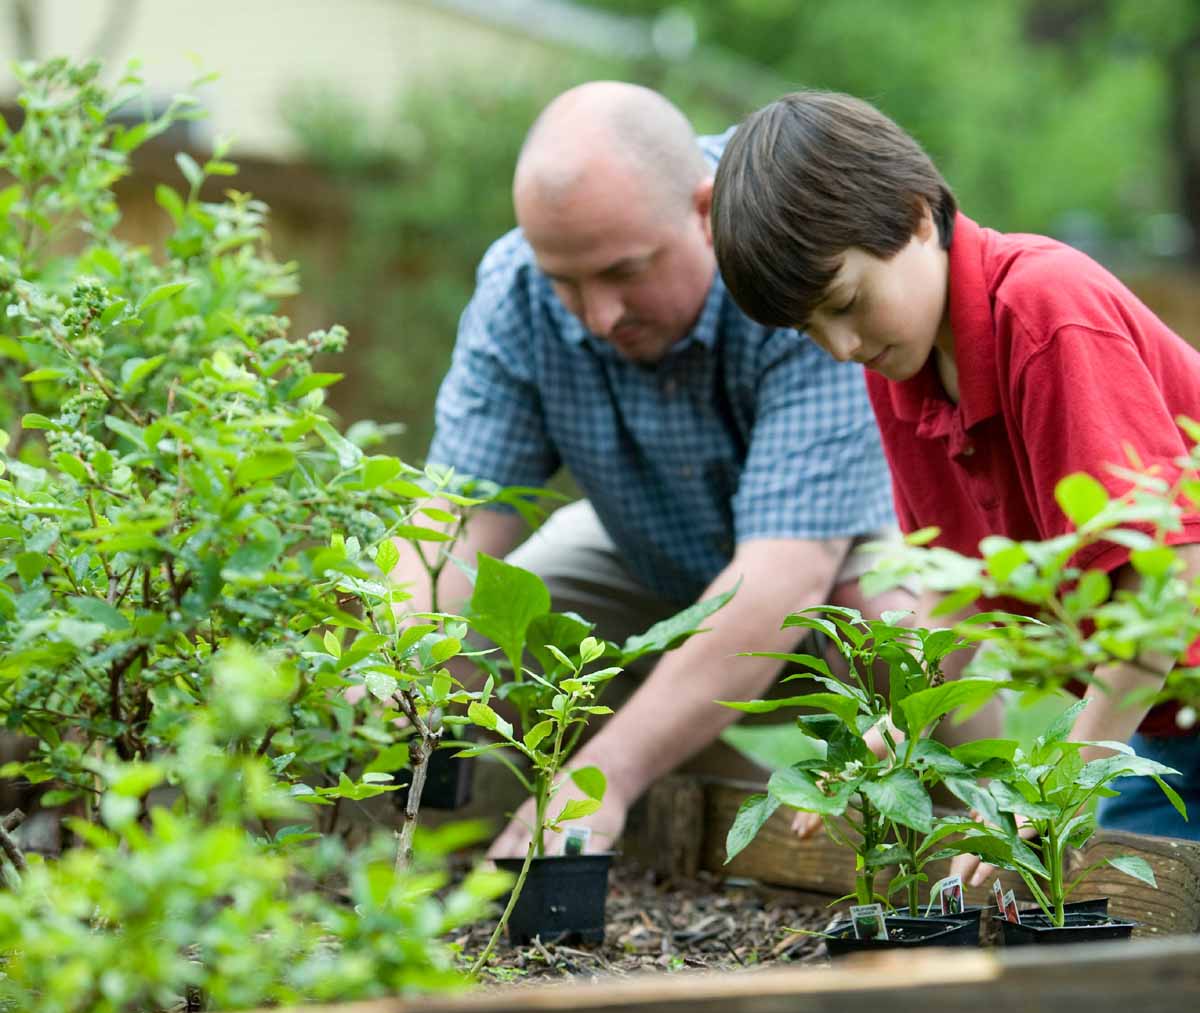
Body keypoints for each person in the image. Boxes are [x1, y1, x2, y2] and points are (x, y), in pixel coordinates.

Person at [393, 82, 902, 858]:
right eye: (568, 281)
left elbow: (783, 578)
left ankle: (954, 842)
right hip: (650, 554)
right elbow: (450, 526)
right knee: (499, 629)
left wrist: (604, 777)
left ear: (704, 210)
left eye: (624, 273)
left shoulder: (791, 250)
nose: (597, 315)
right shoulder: (518, 290)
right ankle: (730, 819)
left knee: (903, 624)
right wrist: (388, 664)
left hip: (834, 558)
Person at [709, 89, 1200, 855]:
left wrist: (1056, 791)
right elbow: (956, 587)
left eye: (845, 302)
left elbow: (1168, 578)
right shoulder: (899, 368)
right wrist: (880, 742)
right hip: (1166, 715)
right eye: (809, 330)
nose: (839, 346)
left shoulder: (1044, 312)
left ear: (915, 215)